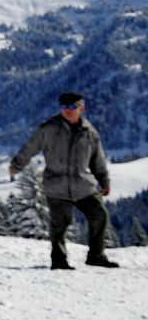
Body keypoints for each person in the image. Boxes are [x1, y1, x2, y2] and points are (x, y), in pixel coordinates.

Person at [10, 92, 118, 270]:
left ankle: (96, 256)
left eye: (72, 107)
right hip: (57, 185)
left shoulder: (89, 132)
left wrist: (104, 182)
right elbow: (30, 148)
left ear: (81, 108)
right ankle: (59, 261)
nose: (67, 111)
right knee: (60, 224)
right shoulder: (49, 129)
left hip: (84, 185)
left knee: (99, 215)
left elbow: (97, 159)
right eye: (64, 107)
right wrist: (17, 165)